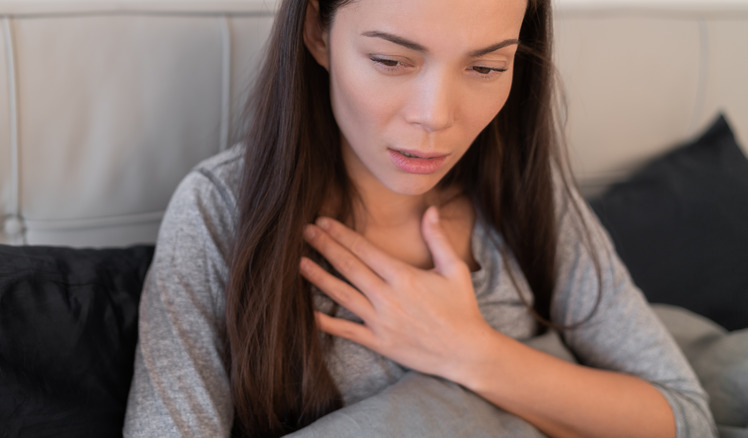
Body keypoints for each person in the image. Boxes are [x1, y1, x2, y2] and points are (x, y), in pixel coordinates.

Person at [123, 0, 717, 436]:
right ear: (318, 32)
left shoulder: (523, 190)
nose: (436, 116)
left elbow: (682, 417)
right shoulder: (219, 210)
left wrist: (468, 352)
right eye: (391, 60)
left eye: (485, 69)